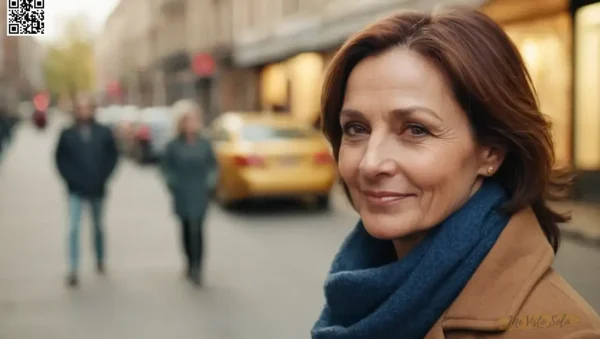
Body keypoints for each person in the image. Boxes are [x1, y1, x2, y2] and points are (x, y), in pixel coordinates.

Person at [311, 8, 600, 339]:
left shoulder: (566, 332)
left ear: (491, 150)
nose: (370, 163)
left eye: (415, 130)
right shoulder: (356, 289)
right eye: (356, 128)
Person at [55, 94, 118, 288]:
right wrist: (70, 179)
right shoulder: (67, 133)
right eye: (80, 108)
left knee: (98, 226)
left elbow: (112, 156)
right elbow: (60, 159)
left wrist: (103, 177)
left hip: (97, 187)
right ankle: (73, 267)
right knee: (73, 227)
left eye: (87, 107)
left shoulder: (103, 132)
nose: (83, 111)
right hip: (75, 188)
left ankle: (100, 258)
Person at [161, 99, 218, 287]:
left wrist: (211, 181)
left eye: (193, 119)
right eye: (187, 120)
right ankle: (188, 261)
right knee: (186, 228)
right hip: (182, 192)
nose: (190, 124)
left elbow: (212, 165)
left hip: (200, 192)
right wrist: (173, 183)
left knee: (198, 229)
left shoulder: (204, 143)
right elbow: (166, 168)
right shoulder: (173, 145)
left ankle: (198, 267)